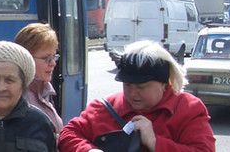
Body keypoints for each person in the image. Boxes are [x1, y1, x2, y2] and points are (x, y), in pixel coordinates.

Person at [58, 40, 215, 152]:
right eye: (127, 86)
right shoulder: (104, 107)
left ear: (164, 83)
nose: (133, 94)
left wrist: (155, 143)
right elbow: (68, 134)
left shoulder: (188, 109)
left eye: (142, 87)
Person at [14, 23, 64, 135]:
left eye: (54, 57)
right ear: (26, 59)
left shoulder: (43, 91)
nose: (53, 63)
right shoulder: (18, 98)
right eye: (47, 58)